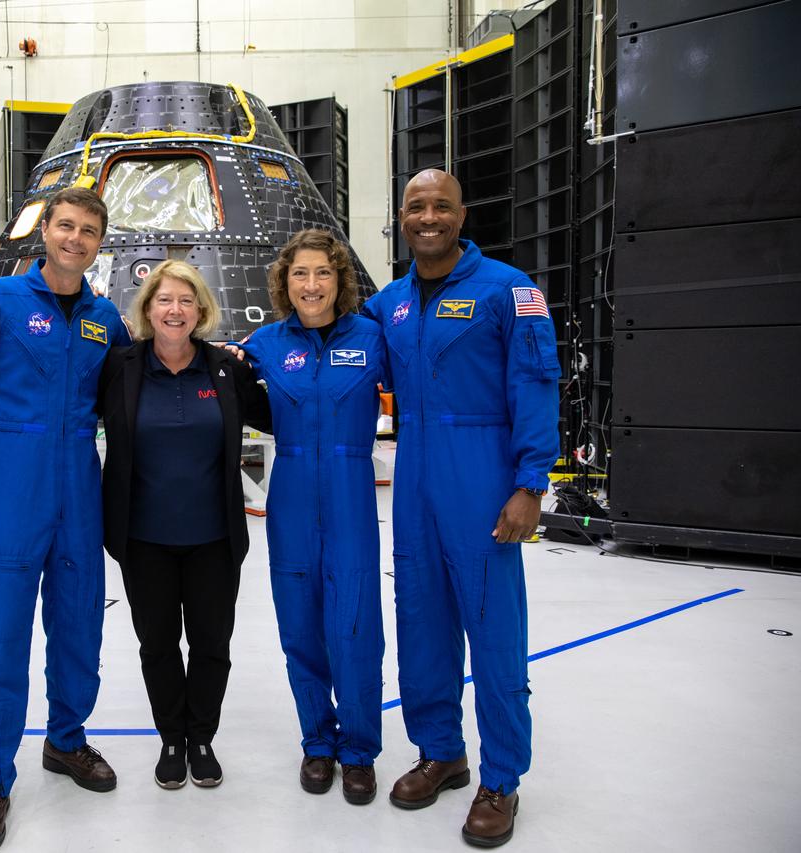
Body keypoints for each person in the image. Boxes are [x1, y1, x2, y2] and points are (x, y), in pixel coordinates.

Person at [0, 187, 131, 853]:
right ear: (45, 230)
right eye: (65, 225)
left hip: (79, 484)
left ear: (101, 241)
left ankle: (66, 741)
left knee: (79, 625)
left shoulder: (106, 320)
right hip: (6, 484)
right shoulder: (1, 299)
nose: (75, 238)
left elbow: (135, 402)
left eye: (89, 230)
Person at [362, 168, 559, 848]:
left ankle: (501, 776)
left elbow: (536, 381)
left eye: (440, 205)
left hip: (484, 467)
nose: (428, 216)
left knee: (493, 629)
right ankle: (441, 751)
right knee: (420, 619)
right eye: (415, 206)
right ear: (402, 216)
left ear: (461, 214)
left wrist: (530, 482)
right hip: (414, 468)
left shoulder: (510, 291)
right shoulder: (388, 304)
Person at [97, 260, 272, 791]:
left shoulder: (226, 369)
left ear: (201, 310)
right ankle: (172, 737)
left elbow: (276, 411)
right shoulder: (120, 368)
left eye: (186, 300)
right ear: (147, 309)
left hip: (214, 540)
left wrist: (263, 354)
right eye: (164, 300)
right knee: (157, 645)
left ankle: (202, 737)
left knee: (212, 644)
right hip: (144, 539)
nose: (175, 310)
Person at [236, 229, 387, 806]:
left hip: (350, 492)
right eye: (300, 273)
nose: (311, 284)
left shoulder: (373, 339)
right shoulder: (266, 346)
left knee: (353, 625)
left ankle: (359, 750)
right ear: (285, 282)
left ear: (339, 279)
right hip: (291, 494)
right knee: (298, 625)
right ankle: (317, 742)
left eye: (322, 272)